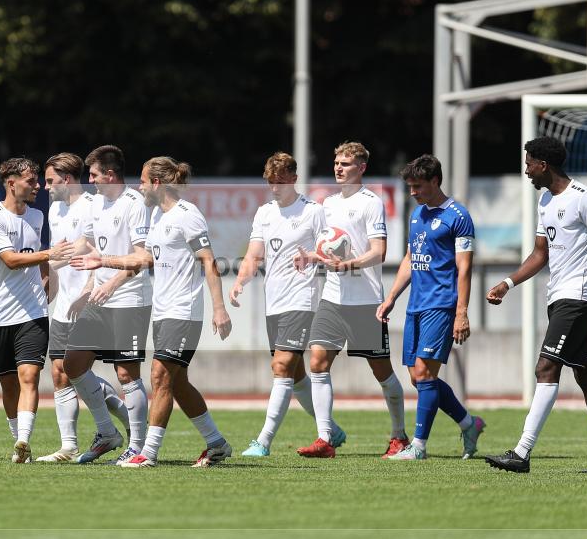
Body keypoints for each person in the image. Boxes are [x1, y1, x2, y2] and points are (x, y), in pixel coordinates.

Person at [72, 156, 233, 468]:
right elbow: (141, 260)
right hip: (162, 312)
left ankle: (148, 452)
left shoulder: (188, 215)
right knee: (178, 383)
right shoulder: (157, 216)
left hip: (183, 312)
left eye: (144, 181)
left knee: (159, 376)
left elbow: (209, 262)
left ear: (157, 183)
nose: (140, 186)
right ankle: (216, 444)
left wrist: (219, 308)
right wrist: (102, 261)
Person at [484, 136, 587, 473]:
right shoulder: (546, 200)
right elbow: (540, 254)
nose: (526, 171)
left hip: (578, 297)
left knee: (545, 368)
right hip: (559, 297)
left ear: (543, 165)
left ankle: (521, 453)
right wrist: (508, 283)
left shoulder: (584, 199)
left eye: (528, 164)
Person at [294, 141, 409, 459]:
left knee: (382, 373)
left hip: (365, 301)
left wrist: (349, 264)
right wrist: (311, 257)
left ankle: (399, 436)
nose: (338, 168)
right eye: (336, 162)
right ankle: (325, 439)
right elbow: (326, 247)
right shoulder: (327, 204)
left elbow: (379, 251)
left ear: (361, 168)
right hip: (333, 298)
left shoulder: (371, 203)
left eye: (345, 163)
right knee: (317, 362)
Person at [230, 152, 347, 457]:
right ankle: (331, 430)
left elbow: (332, 251)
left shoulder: (313, 211)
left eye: (281, 182)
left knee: (281, 366)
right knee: (295, 375)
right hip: (274, 302)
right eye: (271, 182)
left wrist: (315, 257)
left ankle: (263, 441)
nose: (275, 187)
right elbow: (254, 254)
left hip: (303, 299)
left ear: (294, 179)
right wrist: (240, 280)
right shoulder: (264, 212)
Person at [377, 154, 485, 461]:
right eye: (410, 186)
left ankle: (419, 447)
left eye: (418, 186)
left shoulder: (458, 216)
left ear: (435, 181)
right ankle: (469, 424)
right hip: (416, 305)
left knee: (425, 374)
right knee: (418, 377)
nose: (412, 192)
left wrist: (461, 312)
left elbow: (465, 268)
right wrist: (391, 297)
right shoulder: (417, 214)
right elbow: (411, 258)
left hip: (442, 304)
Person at [60, 145, 151, 464]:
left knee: (126, 374)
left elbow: (142, 257)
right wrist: (53, 256)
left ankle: (137, 447)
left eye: (94, 174)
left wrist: (110, 282)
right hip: (99, 300)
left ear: (110, 175)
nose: (91, 180)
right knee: (72, 364)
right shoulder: (96, 203)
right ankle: (107, 432)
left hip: (129, 299)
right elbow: (86, 244)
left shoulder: (134, 204)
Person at [36, 152, 131, 462]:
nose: (45, 186)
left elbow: (96, 253)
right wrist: (47, 284)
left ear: (66, 179)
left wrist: (87, 291)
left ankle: (117, 427)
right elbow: (57, 255)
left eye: (50, 181)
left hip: (87, 303)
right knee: (61, 372)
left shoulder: (92, 205)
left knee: (76, 369)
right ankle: (70, 446)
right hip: (63, 305)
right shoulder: (54, 209)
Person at [0, 157, 70, 463]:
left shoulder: (37, 216)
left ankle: (24, 441)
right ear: (11, 183)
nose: (37, 186)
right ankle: (17, 439)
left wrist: (47, 279)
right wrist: (49, 254)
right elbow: (11, 260)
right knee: (8, 385)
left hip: (32, 312)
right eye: (31, 181)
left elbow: (38, 257)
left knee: (29, 376)